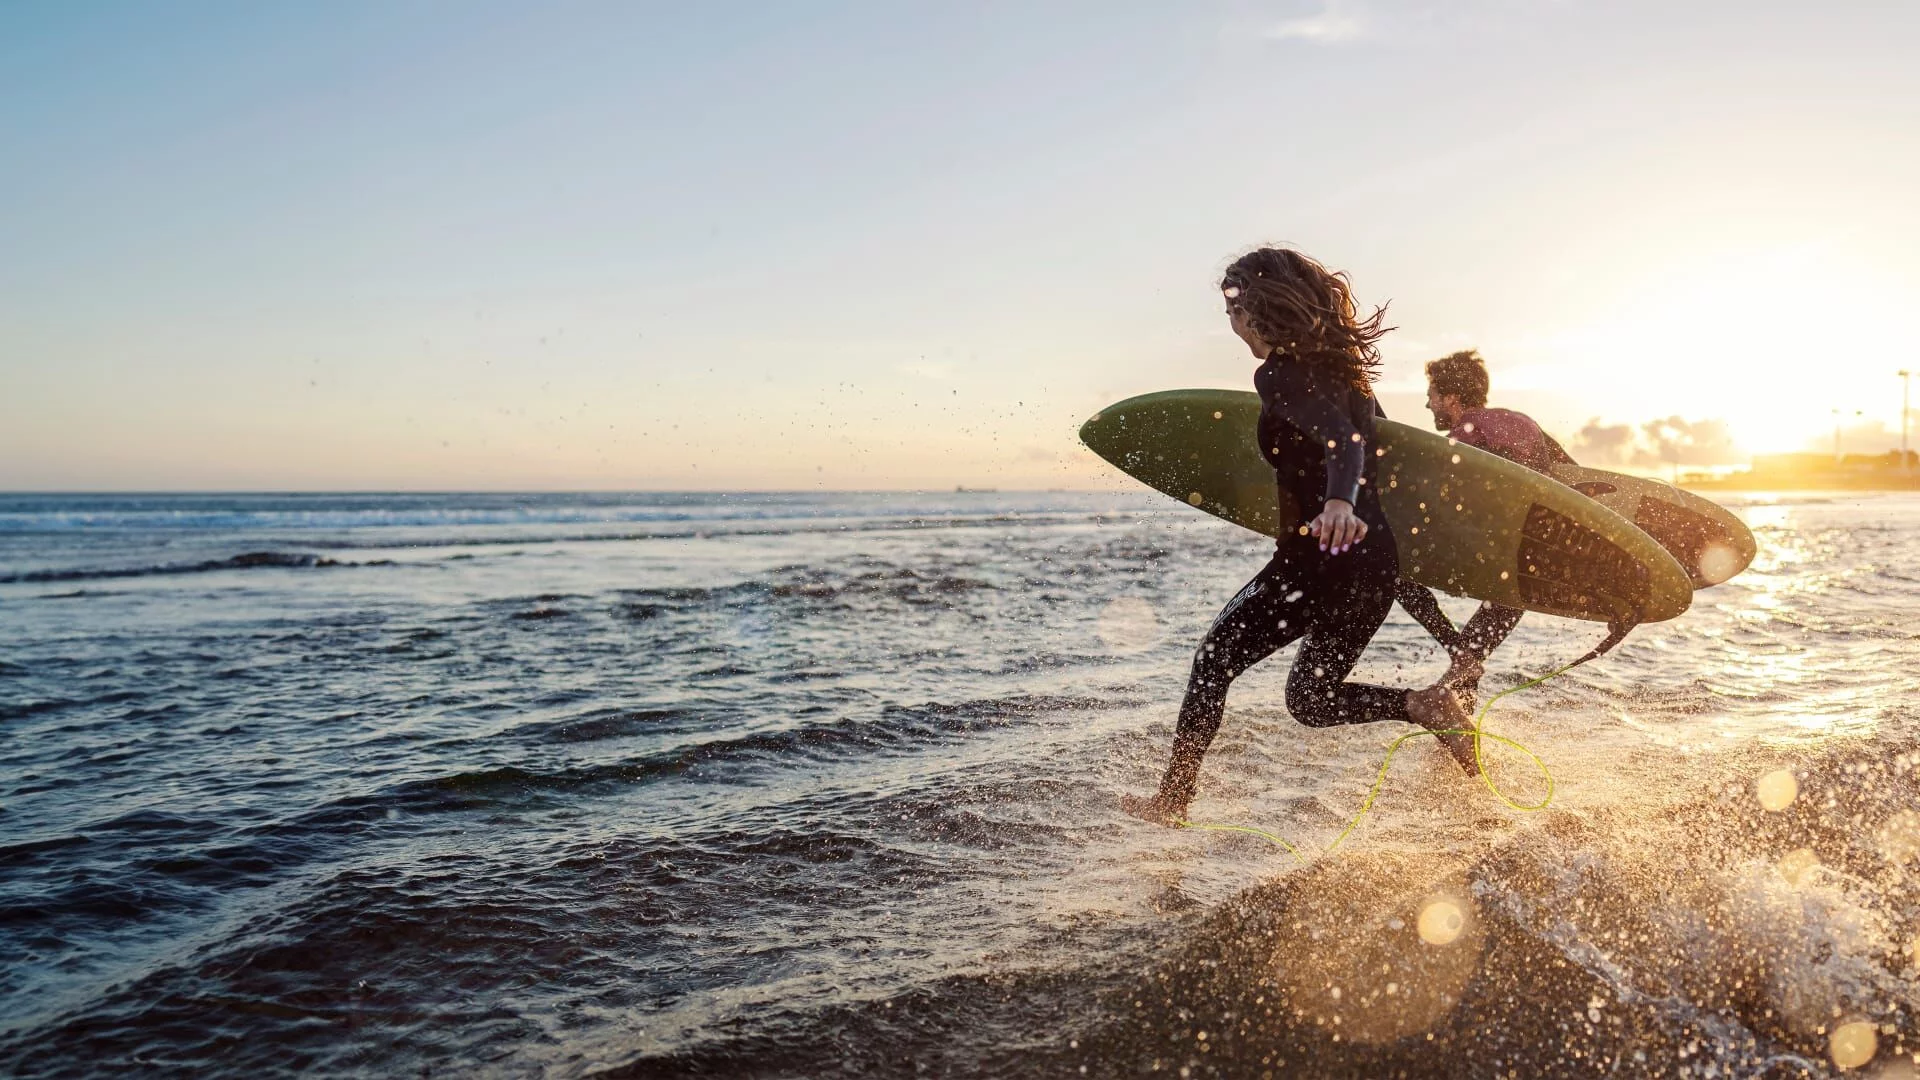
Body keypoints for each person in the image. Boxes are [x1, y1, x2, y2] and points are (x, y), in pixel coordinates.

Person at [1122, 249, 1477, 828]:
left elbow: (1343, 443)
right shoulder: (1353, 380)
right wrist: (1443, 631)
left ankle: (1173, 801)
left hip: (1318, 560)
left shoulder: (1279, 374)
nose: (1230, 321)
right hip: (1373, 566)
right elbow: (1376, 469)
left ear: (1262, 307)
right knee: (1311, 699)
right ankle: (1422, 705)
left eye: (1235, 306)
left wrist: (1337, 502)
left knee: (1214, 660)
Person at [1393, 350, 1577, 697]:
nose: (1428, 405)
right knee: (1476, 653)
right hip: (1527, 565)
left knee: (1389, 568)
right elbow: (1572, 479)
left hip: (1491, 553)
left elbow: (1434, 496)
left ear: (1451, 398)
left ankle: (1455, 649)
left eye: (1431, 396)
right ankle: (1459, 727)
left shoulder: (1466, 431)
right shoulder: (1524, 422)